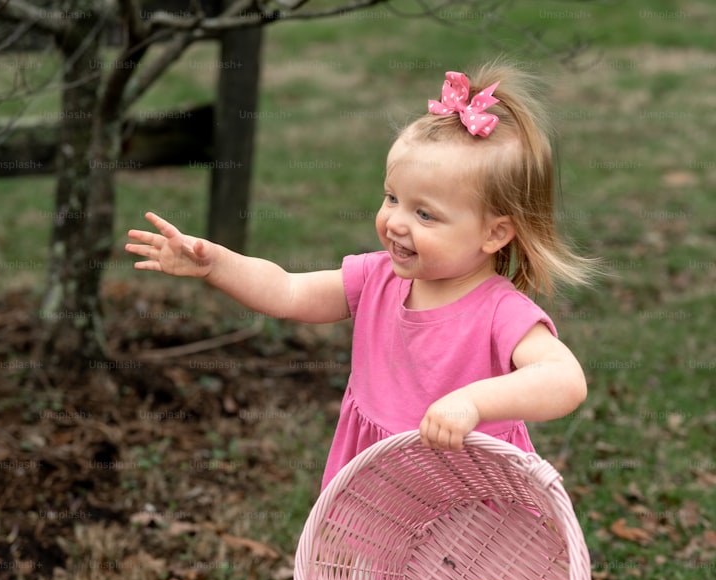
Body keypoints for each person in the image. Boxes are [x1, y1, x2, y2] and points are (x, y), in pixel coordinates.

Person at [125, 62, 596, 489]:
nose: (395, 222)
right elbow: (288, 291)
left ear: (494, 233)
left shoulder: (499, 312)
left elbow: (564, 380)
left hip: (467, 496)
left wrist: (472, 403)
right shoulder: (378, 278)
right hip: (380, 484)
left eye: (425, 215)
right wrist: (218, 265)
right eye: (393, 198)